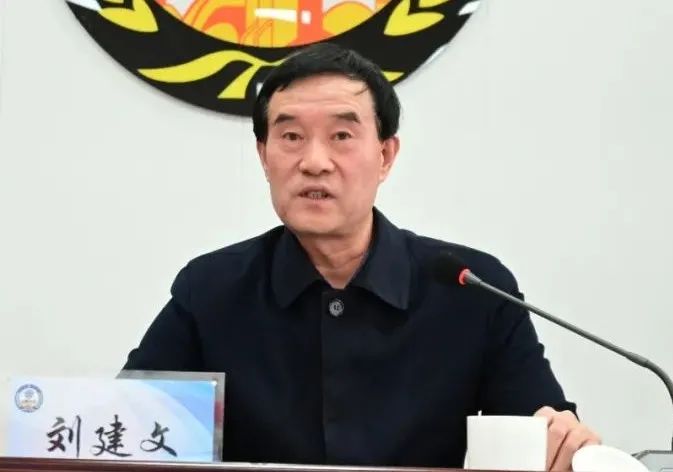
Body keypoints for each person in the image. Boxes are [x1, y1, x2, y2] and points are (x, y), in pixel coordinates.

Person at [123, 43, 600, 470]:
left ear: (386, 156)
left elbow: (540, 436)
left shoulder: (471, 287)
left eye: (342, 136)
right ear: (264, 156)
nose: (314, 162)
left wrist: (563, 439)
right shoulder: (211, 289)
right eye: (291, 137)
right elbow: (126, 432)